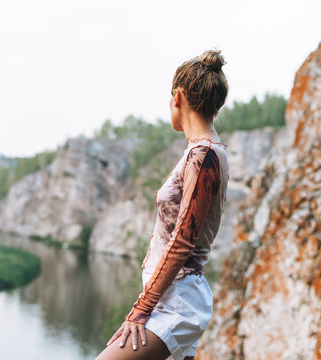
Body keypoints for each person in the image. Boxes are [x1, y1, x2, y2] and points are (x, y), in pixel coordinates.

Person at [95, 49, 230, 360]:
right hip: (171, 296)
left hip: (176, 303)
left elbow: (183, 239)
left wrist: (141, 308)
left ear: (178, 96)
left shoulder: (204, 155)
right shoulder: (201, 152)